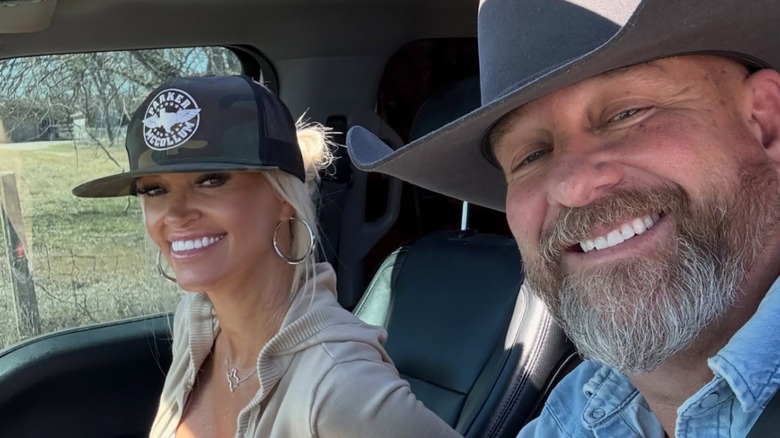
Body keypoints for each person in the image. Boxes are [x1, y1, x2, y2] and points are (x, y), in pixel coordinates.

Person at [346, 0, 780, 436]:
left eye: (627, 113)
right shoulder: (584, 404)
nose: (571, 188)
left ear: (767, 123)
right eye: (531, 156)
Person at [72, 75, 460, 438]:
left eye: (211, 181)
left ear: (282, 200)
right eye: (154, 190)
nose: (175, 214)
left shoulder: (341, 384)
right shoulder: (197, 320)